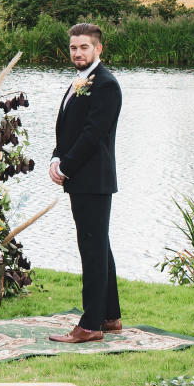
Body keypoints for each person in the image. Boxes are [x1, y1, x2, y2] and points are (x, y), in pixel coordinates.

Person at [47, 22, 123, 344]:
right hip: (82, 177)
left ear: (98, 49)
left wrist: (66, 166)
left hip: (93, 179)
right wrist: (55, 156)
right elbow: (70, 126)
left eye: (84, 48)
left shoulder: (105, 84)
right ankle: (110, 316)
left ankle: (90, 325)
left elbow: (93, 134)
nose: (77, 53)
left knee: (91, 250)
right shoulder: (81, 80)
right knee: (99, 245)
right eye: (74, 47)